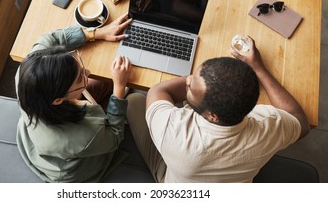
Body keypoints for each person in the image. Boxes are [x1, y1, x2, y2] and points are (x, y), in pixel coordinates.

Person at [126, 36, 310, 182]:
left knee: (133, 100)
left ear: (212, 116)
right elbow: (301, 122)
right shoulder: (269, 125)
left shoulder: (172, 129)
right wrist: (258, 68)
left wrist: (196, 80)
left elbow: (159, 90)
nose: (188, 80)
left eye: (190, 86)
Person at [16, 14, 135, 183]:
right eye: (80, 78)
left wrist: (98, 33)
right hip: (72, 165)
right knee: (125, 95)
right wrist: (119, 88)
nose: (88, 72)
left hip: (37, 135)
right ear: (58, 100)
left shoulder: (28, 71)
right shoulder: (84, 137)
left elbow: (49, 38)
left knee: (102, 82)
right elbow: (114, 136)